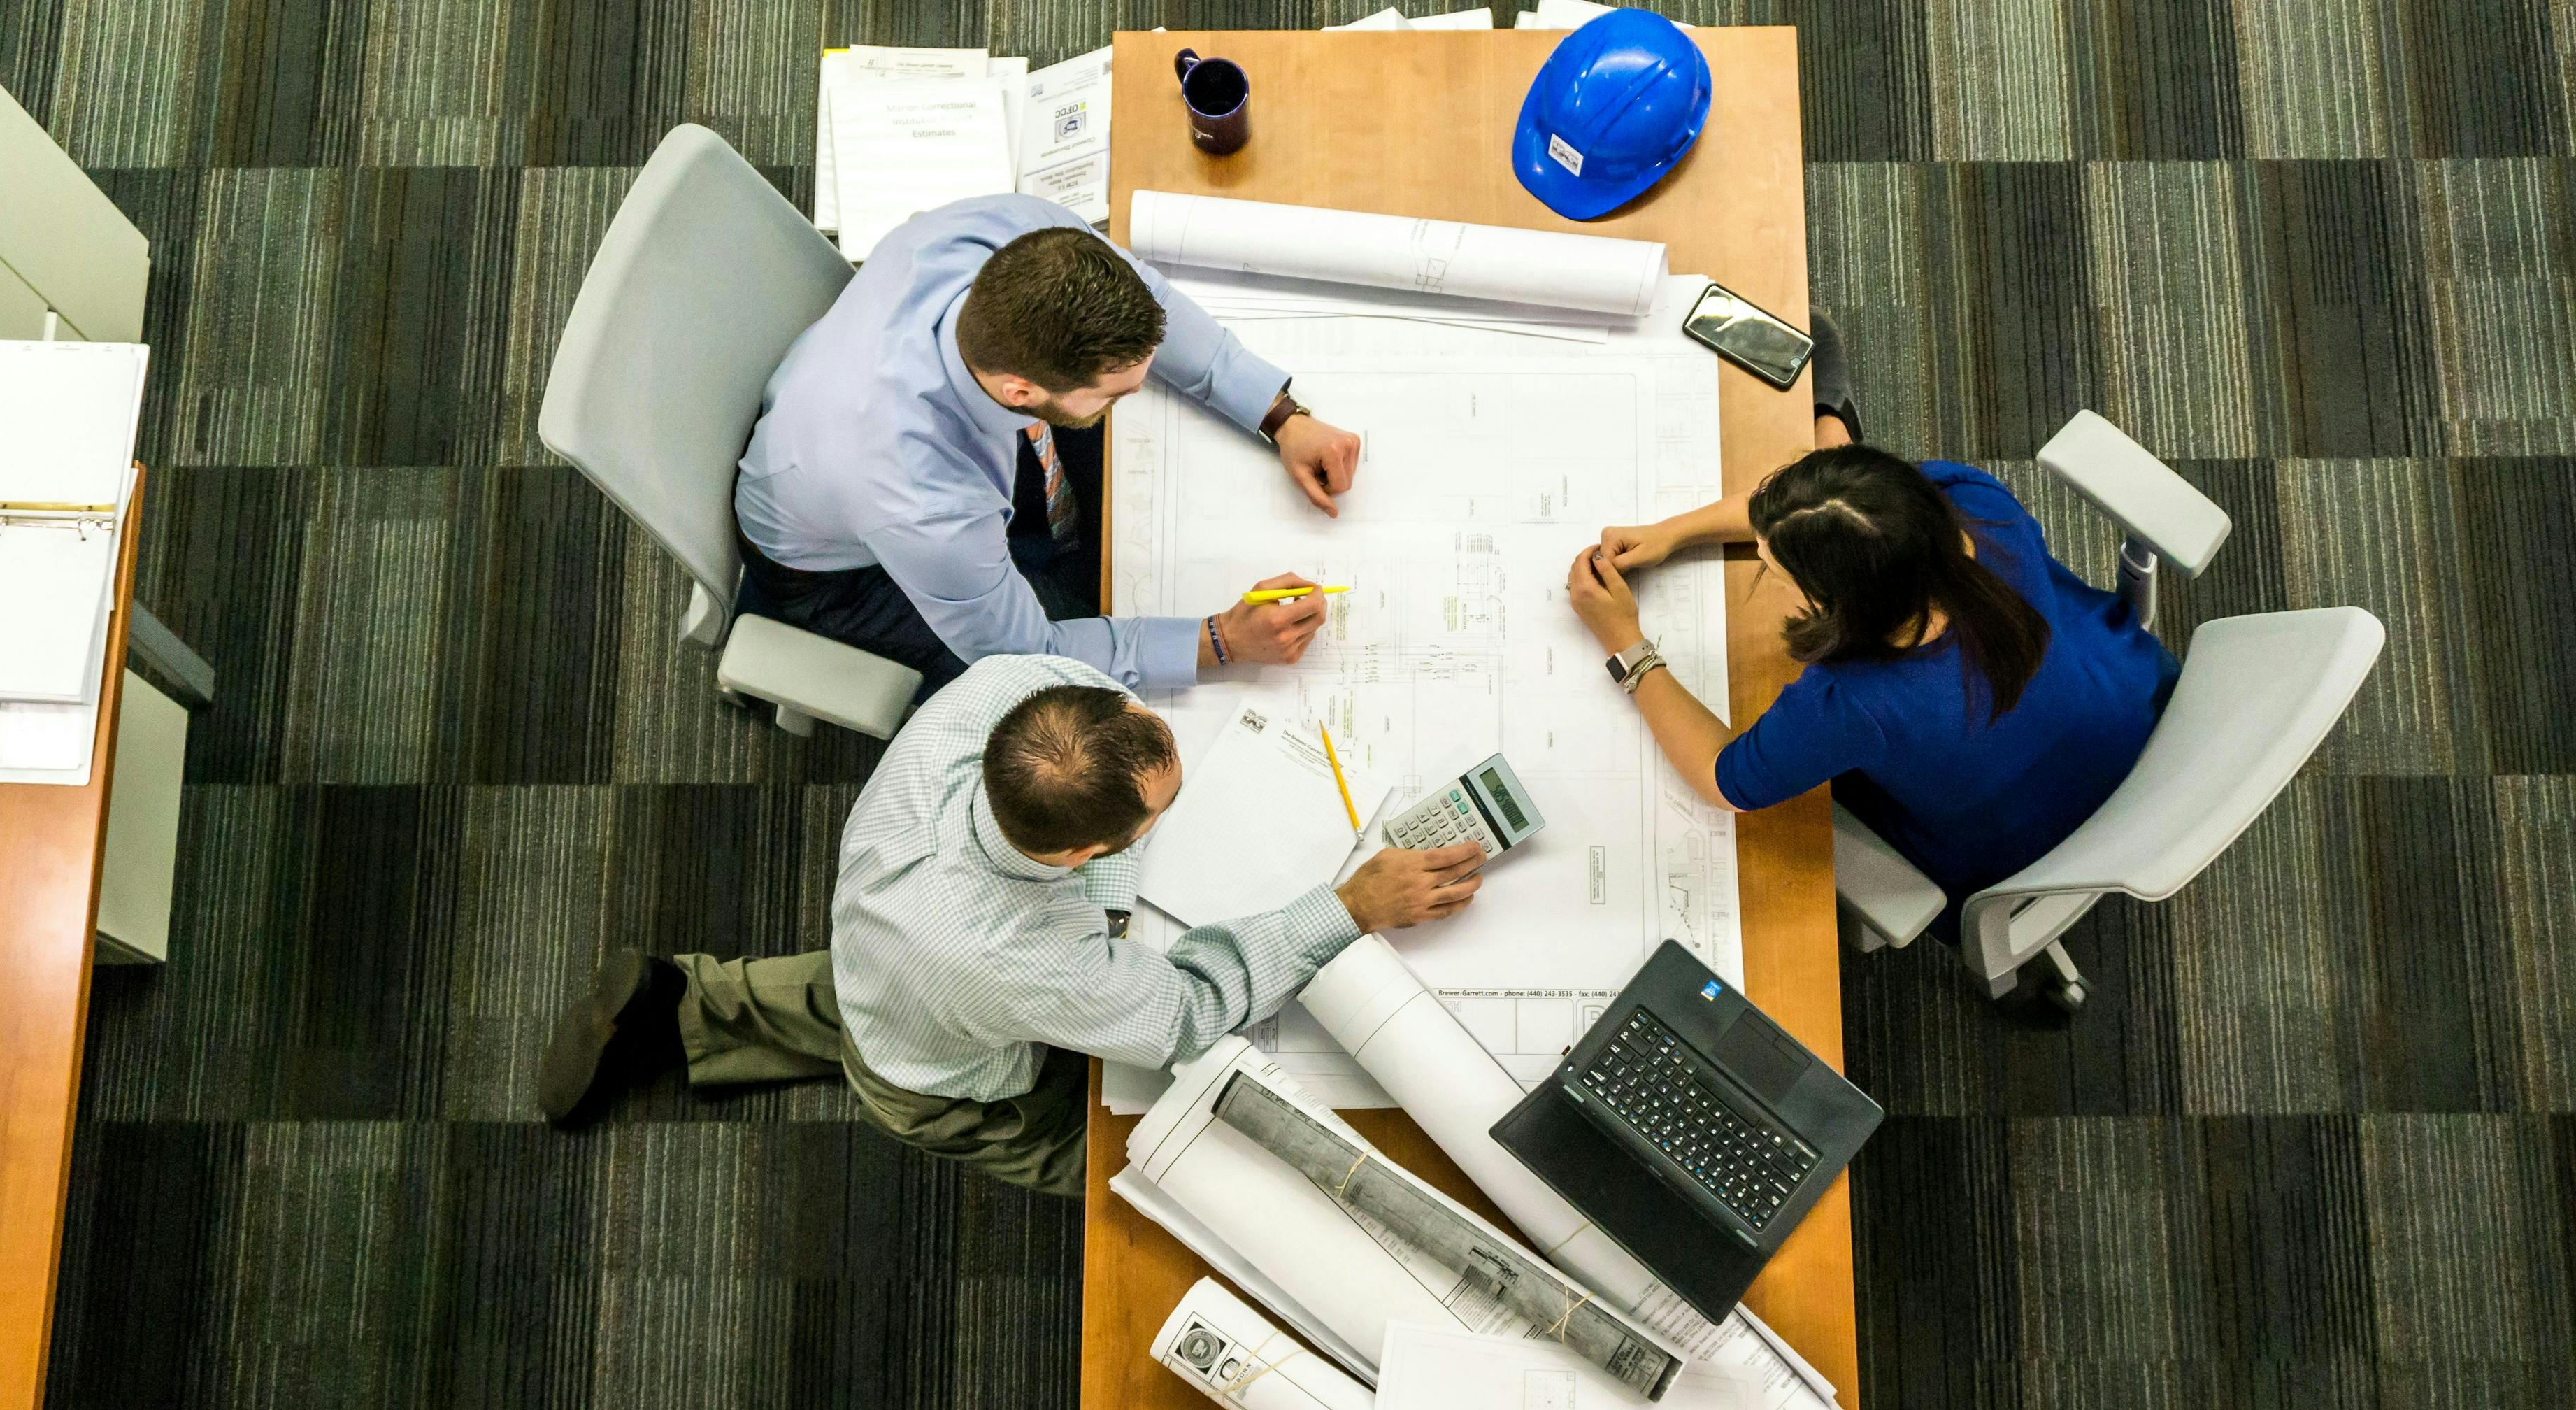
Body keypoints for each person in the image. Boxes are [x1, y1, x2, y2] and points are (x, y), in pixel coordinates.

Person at [536, 655, 1487, 1195]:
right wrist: (1347, 907)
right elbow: (1185, 1015)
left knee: (873, 991)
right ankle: (1147, 1180)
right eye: (1158, 814)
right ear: (1080, 853)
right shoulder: (1023, 962)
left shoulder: (1006, 695)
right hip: (944, 1076)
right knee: (1133, 1158)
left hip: (887, 944)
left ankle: (684, 1002)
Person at [734, 194, 1367, 698]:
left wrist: (1278, 414)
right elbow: (1027, 655)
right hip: (841, 575)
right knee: (1084, 707)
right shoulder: (921, 500)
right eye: (1117, 392)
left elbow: (1154, 302)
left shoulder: (1015, 232)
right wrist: (1220, 641)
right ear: (1019, 390)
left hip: (849, 427)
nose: (1139, 391)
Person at [1560, 427, 2177, 941]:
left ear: (1842, 604)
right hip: (2133, 701)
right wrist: (1675, 531)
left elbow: (1727, 781)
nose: (1763, 566)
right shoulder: (1968, 499)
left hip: (2022, 846)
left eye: (1775, 570)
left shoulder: (1854, 704)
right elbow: (1824, 514)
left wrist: (1625, 644)